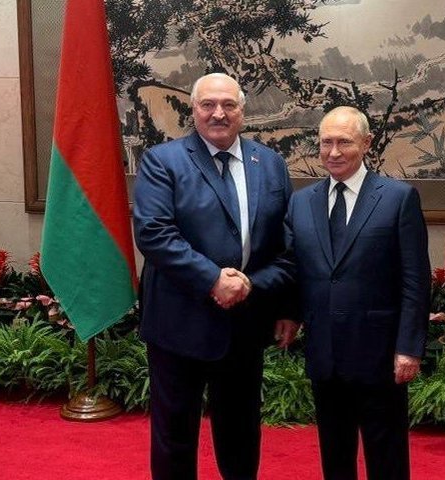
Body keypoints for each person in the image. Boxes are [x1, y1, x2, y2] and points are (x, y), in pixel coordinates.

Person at [132, 73, 298, 480]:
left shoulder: (270, 163)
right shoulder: (162, 161)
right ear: (194, 110)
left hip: (245, 322)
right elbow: (153, 233)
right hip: (178, 322)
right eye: (208, 104)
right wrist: (213, 279)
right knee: (175, 436)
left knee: (241, 432)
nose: (218, 114)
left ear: (242, 110)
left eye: (228, 105)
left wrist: (283, 305)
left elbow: (288, 244)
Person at [283, 106, 431, 480]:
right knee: (335, 455)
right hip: (325, 353)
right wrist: (289, 314)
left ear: (366, 143)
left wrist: (409, 347)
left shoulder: (398, 198)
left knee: (387, 456)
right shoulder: (301, 201)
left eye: (344, 142)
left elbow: (415, 279)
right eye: (326, 143)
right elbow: (293, 269)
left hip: (379, 354)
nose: (333, 152)